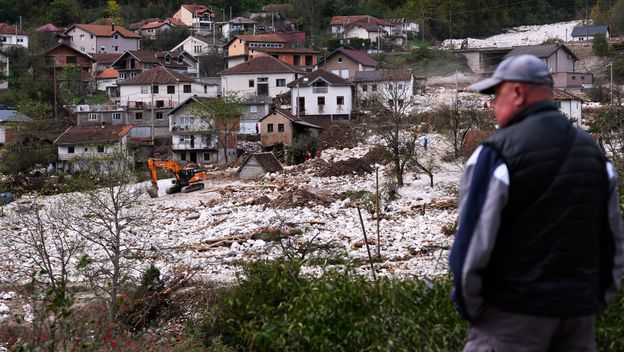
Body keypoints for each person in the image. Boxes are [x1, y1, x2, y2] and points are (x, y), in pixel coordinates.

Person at [449, 54, 624, 351]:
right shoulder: (594, 156)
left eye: (496, 94)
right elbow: (613, 243)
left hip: (510, 318)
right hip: (578, 319)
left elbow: (470, 249)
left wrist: (474, 311)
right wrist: (594, 301)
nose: (492, 105)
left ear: (517, 92)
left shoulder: (495, 154)